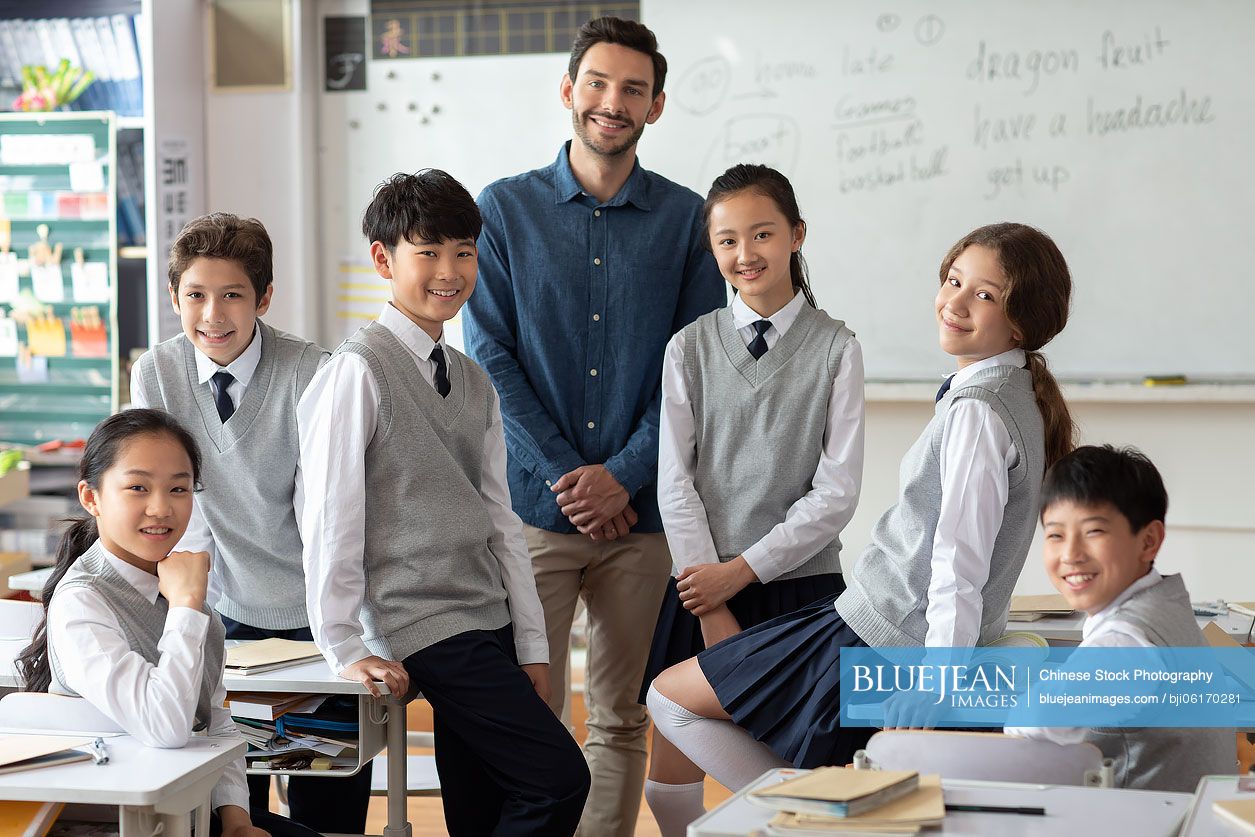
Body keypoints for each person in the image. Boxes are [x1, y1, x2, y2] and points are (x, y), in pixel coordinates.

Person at [648, 222, 1076, 792]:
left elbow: (959, 560)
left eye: (985, 295)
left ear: (1022, 320)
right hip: (874, 621)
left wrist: (938, 681)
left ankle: (817, 814)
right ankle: (821, 807)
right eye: (953, 281)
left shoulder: (978, 411)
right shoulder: (1015, 393)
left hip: (881, 636)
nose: (955, 303)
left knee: (669, 698)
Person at [464, 17, 725, 835]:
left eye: (634, 90)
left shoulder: (688, 220)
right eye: (599, 84)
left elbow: (693, 372)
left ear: (655, 107)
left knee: (621, 716)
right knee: (531, 710)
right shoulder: (501, 210)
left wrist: (624, 473)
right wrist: (571, 479)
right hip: (531, 516)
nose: (613, 103)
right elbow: (491, 358)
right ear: (569, 91)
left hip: (641, 518)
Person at [297, 170, 590, 835]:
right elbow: (329, 518)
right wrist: (343, 643)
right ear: (383, 258)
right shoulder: (356, 369)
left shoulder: (474, 380)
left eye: (463, 251)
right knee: (558, 778)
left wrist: (531, 642)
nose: (449, 270)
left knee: (482, 809)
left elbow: (500, 520)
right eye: (427, 251)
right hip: (422, 621)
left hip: (483, 616)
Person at [642, 164, 865, 834]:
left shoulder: (836, 347)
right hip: (698, 584)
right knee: (667, 783)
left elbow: (836, 491)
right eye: (727, 240)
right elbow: (673, 481)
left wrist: (739, 573)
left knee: (800, 782)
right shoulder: (688, 347)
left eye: (762, 233)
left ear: (796, 234)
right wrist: (708, 594)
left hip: (799, 589)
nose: (746, 254)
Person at [128, 213, 356, 831]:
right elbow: (164, 504)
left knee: (326, 799)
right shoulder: (156, 372)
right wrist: (185, 608)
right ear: (174, 297)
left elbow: (327, 514)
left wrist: (343, 629)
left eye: (233, 295)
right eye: (195, 295)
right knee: (231, 804)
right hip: (213, 612)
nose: (213, 315)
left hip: (314, 615)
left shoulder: (313, 371)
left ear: (265, 297)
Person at [17, 409, 310, 837]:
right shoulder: (83, 601)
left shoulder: (184, 597)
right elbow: (167, 727)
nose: (161, 507)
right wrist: (187, 605)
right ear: (91, 497)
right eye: (138, 487)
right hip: (120, 821)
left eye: (179, 488)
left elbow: (215, 723)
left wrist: (236, 819)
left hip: (189, 811)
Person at [1005, 444, 1236, 791]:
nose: (1070, 554)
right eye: (1055, 534)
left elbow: (1033, 724)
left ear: (1149, 541)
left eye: (1094, 532)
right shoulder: (1163, 603)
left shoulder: (1128, 641)